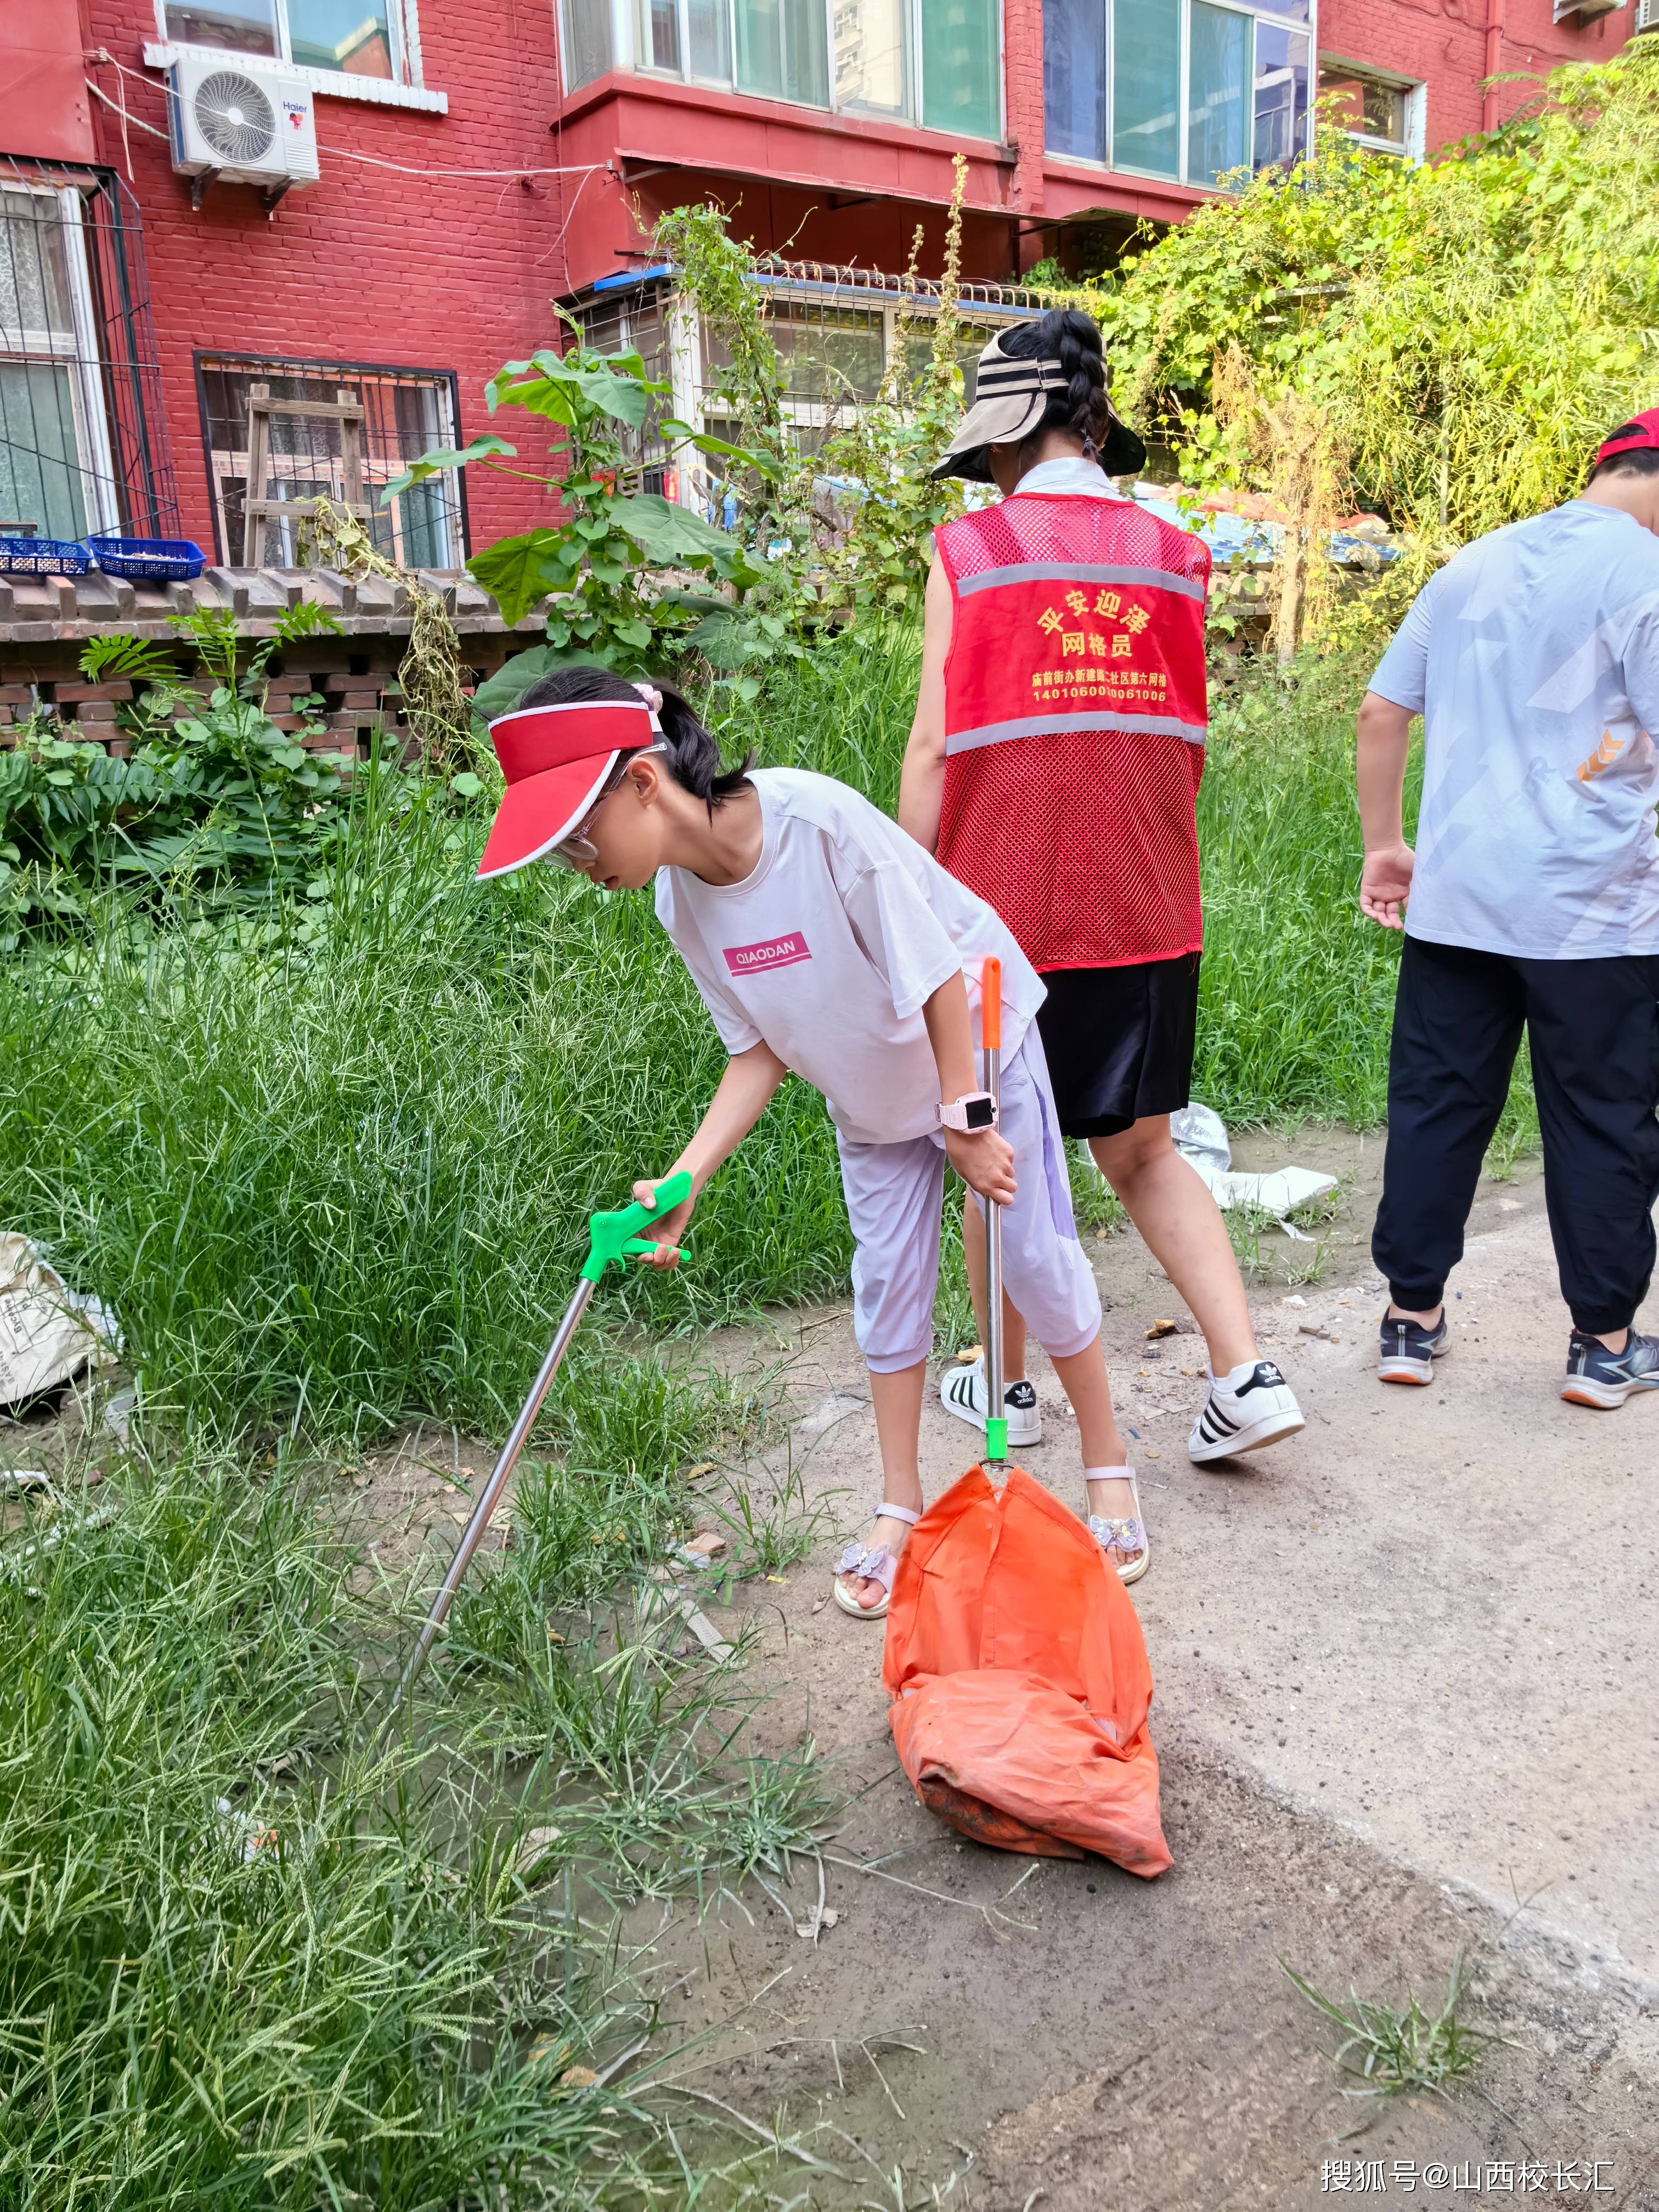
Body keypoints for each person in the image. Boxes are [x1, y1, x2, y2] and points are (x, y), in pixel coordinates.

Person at [473, 665, 1153, 1609]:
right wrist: (685, 1181)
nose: (581, 867)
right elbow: (755, 1055)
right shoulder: (681, 904)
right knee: (885, 1290)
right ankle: (900, 1504)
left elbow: (936, 978)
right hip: (869, 1099)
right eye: (562, 854)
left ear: (640, 782)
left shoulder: (815, 824)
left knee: (1033, 1260)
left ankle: (1107, 1464)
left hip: (979, 1050)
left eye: (580, 839)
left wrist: (964, 1119)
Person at [898, 312, 1304, 1466]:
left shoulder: (969, 552)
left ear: (1011, 434)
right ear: (1091, 425)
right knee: (1143, 1152)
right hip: (1146, 907)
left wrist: (902, 905)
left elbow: (935, 747)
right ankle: (1245, 1372)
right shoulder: (1180, 558)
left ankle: (1005, 1393)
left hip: (1000, 920)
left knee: (996, 1152)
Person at [1359, 411, 1659, 1406]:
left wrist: (1385, 847)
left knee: (1439, 1106)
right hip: (1598, 914)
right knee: (1602, 1118)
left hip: (1458, 904)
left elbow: (1381, 711)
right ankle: (1604, 1344)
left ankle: (1410, 1319)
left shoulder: (1472, 564)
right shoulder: (1645, 578)